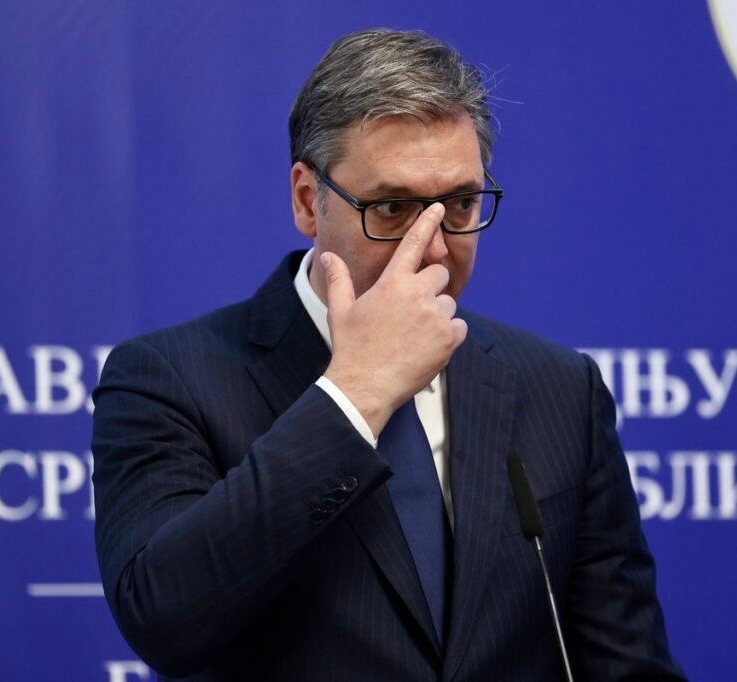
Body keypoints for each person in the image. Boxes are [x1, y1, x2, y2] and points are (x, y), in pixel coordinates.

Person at [92, 28, 687, 682]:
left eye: (460, 203)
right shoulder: (171, 379)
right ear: (307, 201)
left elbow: (627, 664)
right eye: (393, 207)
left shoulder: (558, 388)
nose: (435, 247)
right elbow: (164, 619)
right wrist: (355, 395)